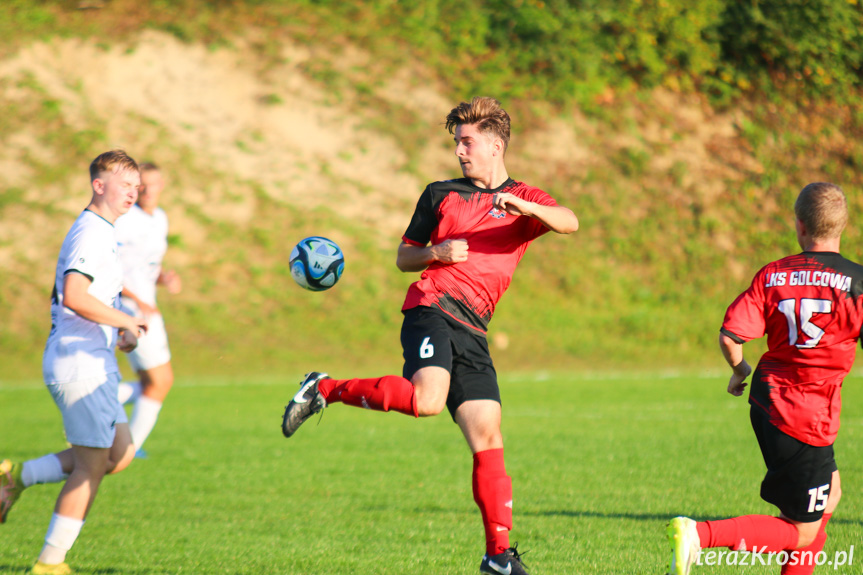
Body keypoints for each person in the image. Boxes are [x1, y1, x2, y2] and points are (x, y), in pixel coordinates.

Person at [281, 96, 579, 575]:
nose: (460, 150)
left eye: (468, 141)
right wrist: (438, 251)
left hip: (474, 328)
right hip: (432, 308)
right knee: (427, 401)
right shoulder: (440, 193)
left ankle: (498, 557)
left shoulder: (526, 201)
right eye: (457, 142)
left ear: (497, 144)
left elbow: (569, 221)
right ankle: (324, 388)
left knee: (488, 433)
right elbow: (405, 257)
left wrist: (521, 205)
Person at [666, 182, 859, 575]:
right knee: (803, 531)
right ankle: (700, 535)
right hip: (807, 418)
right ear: (843, 226)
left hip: (770, 401)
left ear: (800, 226)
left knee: (831, 495)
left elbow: (731, 336)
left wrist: (740, 371)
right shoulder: (858, 283)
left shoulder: (774, 274)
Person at [0, 150, 148, 575]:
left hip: (92, 358)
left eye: (137, 188)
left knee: (119, 453)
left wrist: (121, 331)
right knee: (91, 467)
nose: (132, 194)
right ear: (99, 185)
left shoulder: (105, 231)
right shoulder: (92, 233)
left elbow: (93, 301)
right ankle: (50, 564)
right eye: (125, 186)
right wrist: (125, 319)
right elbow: (75, 296)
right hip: (79, 363)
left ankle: (18, 477)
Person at [114, 162, 182, 458]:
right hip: (130, 309)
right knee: (161, 381)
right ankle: (129, 446)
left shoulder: (161, 219)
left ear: (162, 185)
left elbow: (145, 267)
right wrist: (137, 300)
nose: (149, 190)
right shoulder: (124, 219)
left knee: (152, 382)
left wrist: (164, 278)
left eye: (155, 184)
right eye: (143, 185)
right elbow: (109, 268)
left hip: (148, 307)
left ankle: (96, 411)